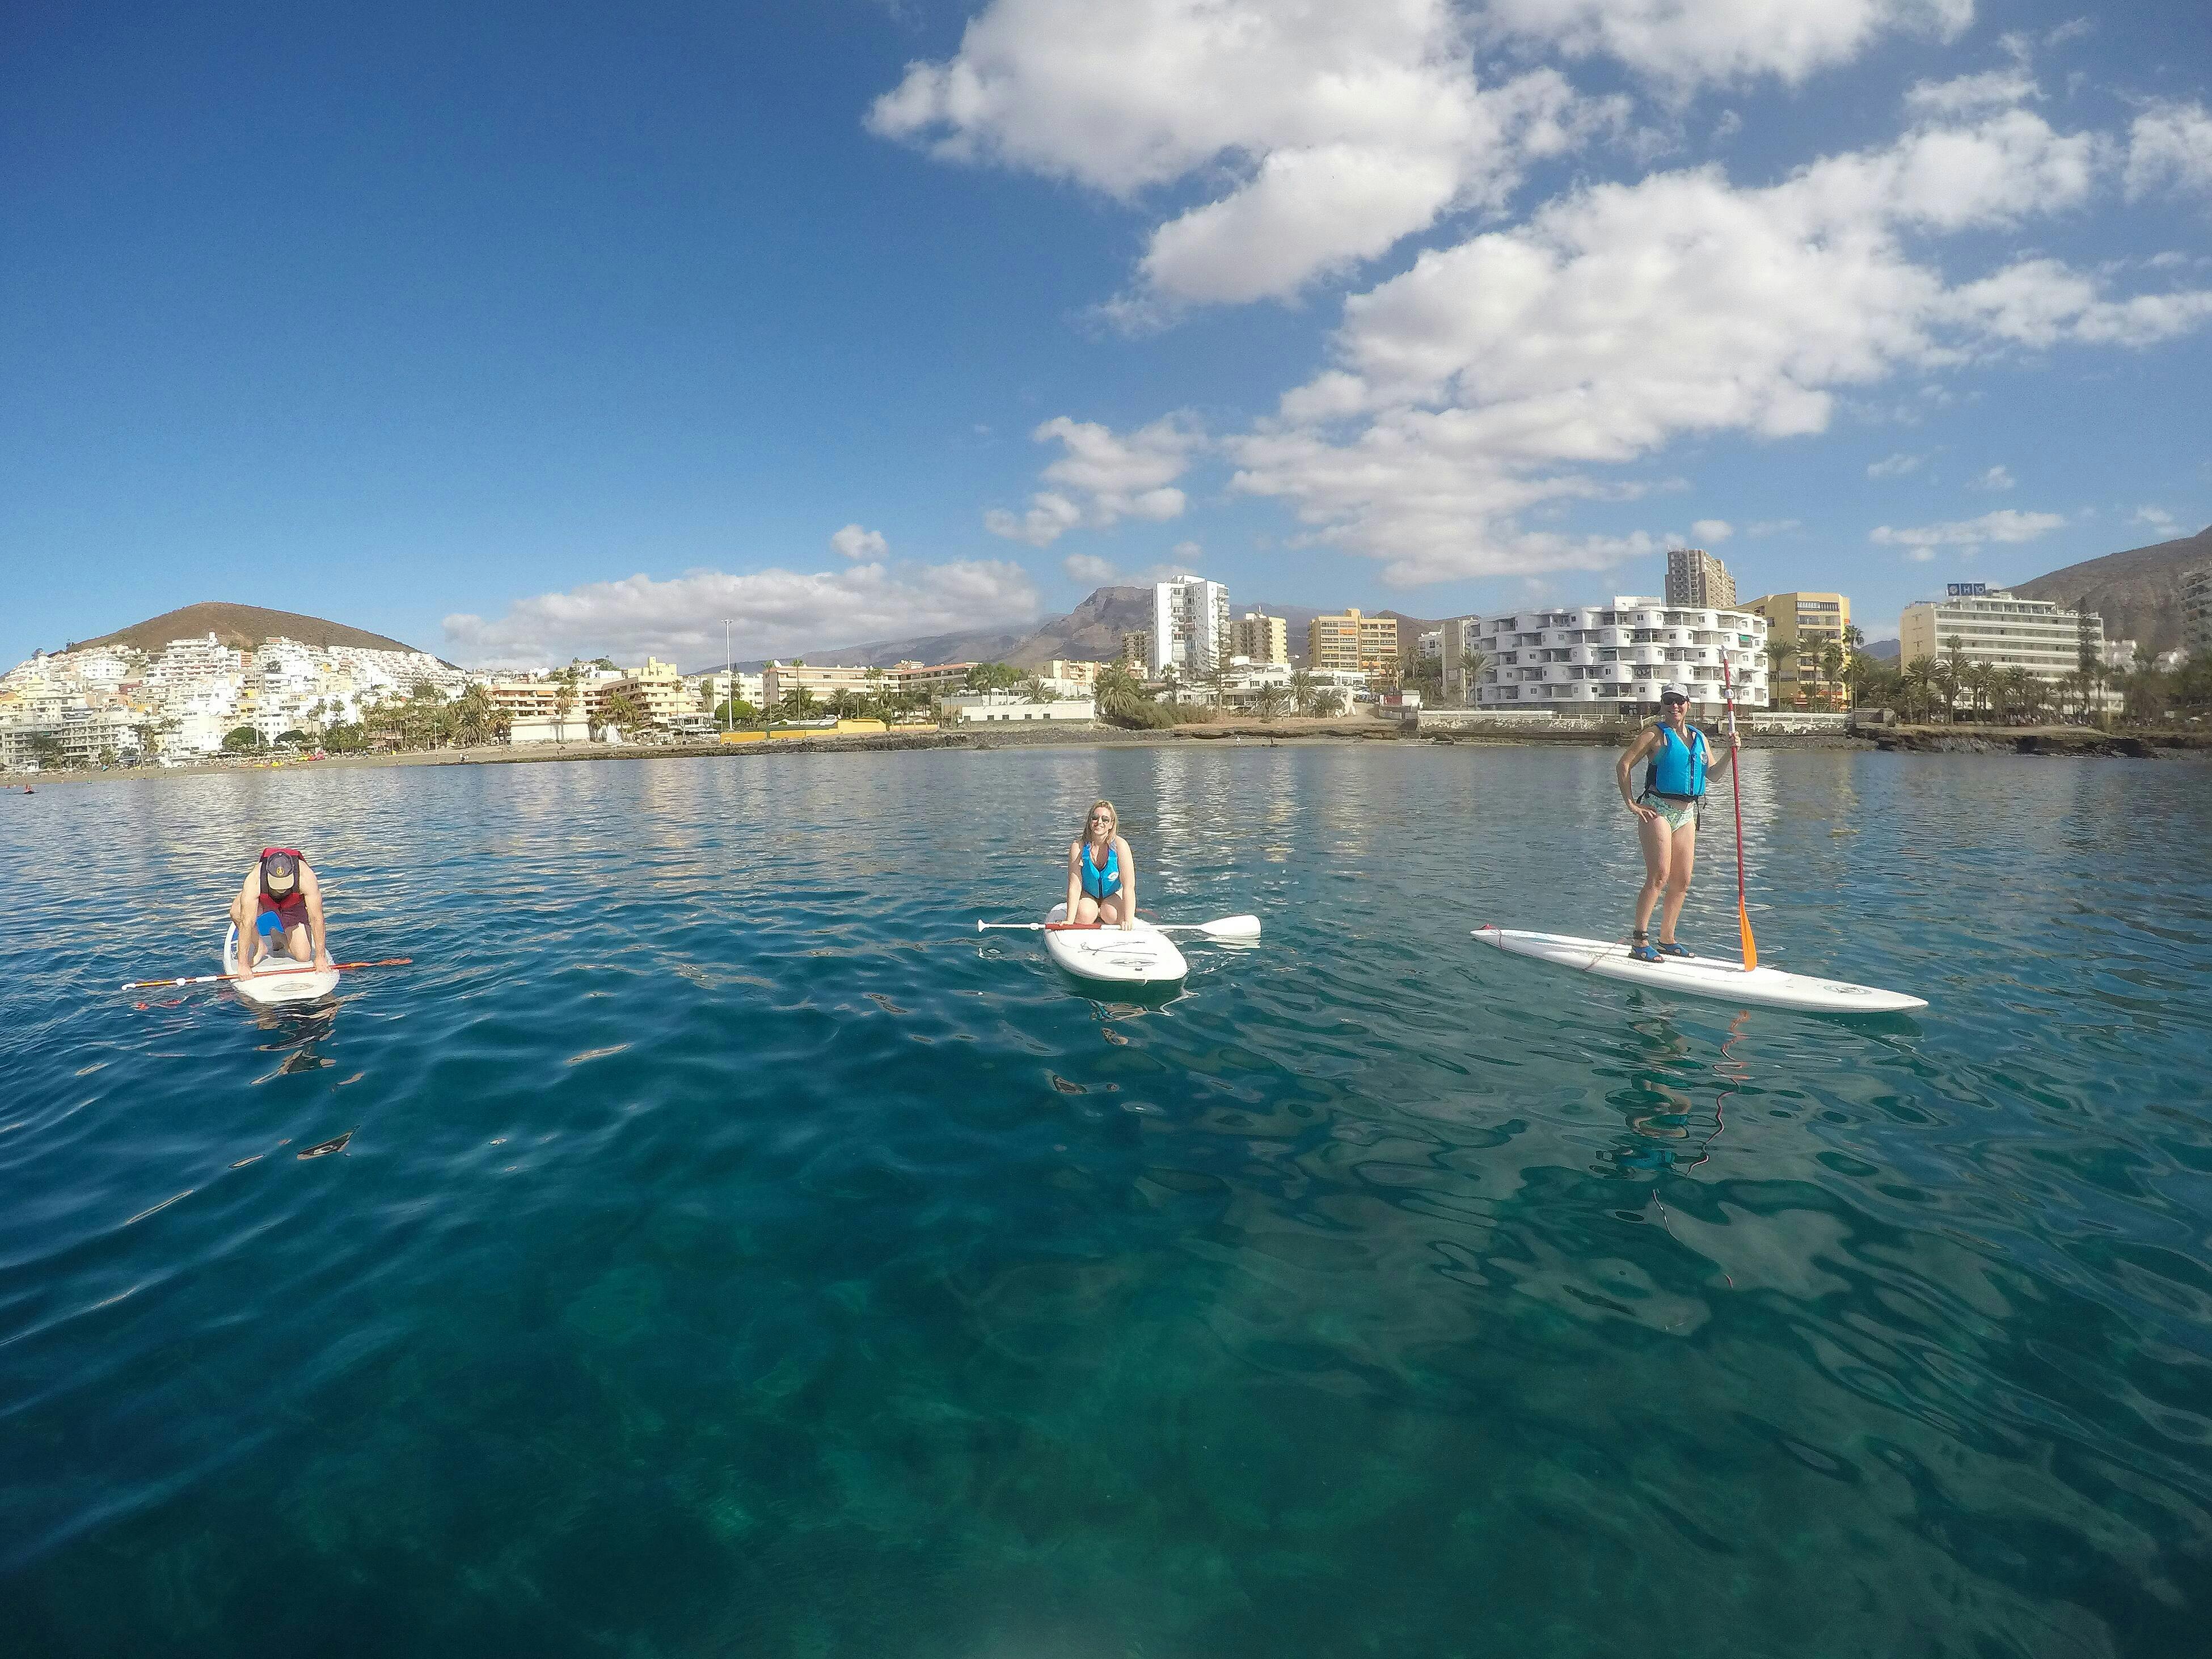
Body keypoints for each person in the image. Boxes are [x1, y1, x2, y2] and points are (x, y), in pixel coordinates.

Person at [1615, 685, 1738, 963]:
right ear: (1662, 704)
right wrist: (1631, 804)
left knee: (1682, 881)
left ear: (1688, 705)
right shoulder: (1654, 734)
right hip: (1657, 810)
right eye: (1669, 702)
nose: (1675, 707)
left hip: (1687, 814)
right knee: (1659, 875)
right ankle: (1639, 941)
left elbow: (1714, 776)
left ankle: (1667, 939)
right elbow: (1623, 766)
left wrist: (1731, 752)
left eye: (1680, 702)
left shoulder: (1699, 737)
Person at [229, 847, 333, 977]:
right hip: (265, 901)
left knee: (304, 956)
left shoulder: (306, 877)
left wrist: (320, 957)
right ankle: (260, 946)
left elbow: (317, 918)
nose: (281, 890)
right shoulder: (255, 879)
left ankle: (278, 937)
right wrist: (242, 964)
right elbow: (246, 922)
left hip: (293, 905)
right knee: (237, 912)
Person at [1064, 799, 1137, 931]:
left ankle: (1103, 910)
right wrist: (1069, 920)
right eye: (1095, 818)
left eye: (1105, 820)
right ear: (1090, 821)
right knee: (1083, 916)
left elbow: (1129, 886)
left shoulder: (1121, 846)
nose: (1099, 823)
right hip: (1089, 894)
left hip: (1112, 894)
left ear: (1111, 824)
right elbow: (1074, 886)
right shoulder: (1078, 847)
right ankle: (1095, 910)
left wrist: (1128, 920)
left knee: (1113, 916)